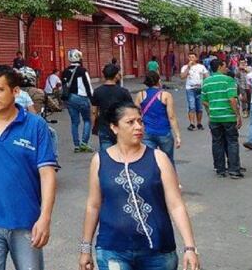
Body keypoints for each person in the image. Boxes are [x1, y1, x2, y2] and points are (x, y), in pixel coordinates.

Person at [78, 102, 200, 270]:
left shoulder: (159, 158)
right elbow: (93, 206)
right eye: (130, 122)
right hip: (113, 250)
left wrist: (190, 248)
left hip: (158, 251)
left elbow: (176, 204)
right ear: (114, 127)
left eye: (140, 121)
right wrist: (85, 249)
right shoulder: (100, 161)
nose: (138, 127)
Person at [0, 65, 58, 270]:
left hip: (26, 222)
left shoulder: (35, 126)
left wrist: (45, 217)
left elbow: (47, 174)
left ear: (15, 92)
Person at [201, 59, 243, 178]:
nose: (227, 68)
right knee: (232, 142)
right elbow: (232, 100)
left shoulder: (206, 81)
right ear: (219, 66)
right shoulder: (228, 80)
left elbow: (204, 101)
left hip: (214, 117)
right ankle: (234, 170)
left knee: (217, 142)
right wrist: (238, 115)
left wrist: (211, 111)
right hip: (228, 116)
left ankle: (220, 169)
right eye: (225, 66)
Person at [135, 72, 182, 163]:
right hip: (164, 132)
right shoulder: (165, 95)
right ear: (158, 81)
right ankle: (169, 176)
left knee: (150, 161)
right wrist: (177, 135)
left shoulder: (140, 95)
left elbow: (136, 116)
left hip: (147, 132)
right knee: (168, 161)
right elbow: (171, 116)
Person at [91, 63, 133, 151]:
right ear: (115, 76)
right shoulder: (123, 92)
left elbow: (94, 111)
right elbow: (130, 110)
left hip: (104, 126)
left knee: (106, 154)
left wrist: (94, 125)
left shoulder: (97, 91)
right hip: (120, 126)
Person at [62, 51, 94, 153]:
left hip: (70, 98)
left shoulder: (65, 71)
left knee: (74, 122)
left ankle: (76, 145)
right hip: (81, 98)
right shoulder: (82, 70)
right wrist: (92, 98)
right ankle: (84, 143)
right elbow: (88, 85)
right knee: (87, 120)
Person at [180, 53, 209, 131]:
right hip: (190, 89)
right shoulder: (185, 67)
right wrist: (188, 68)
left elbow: (207, 77)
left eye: (193, 57)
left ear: (196, 58)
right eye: (189, 57)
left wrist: (206, 86)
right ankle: (192, 124)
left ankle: (199, 123)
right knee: (191, 107)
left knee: (199, 108)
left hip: (200, 89)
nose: (191, 58)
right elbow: (182, 77)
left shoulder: (201, 67)